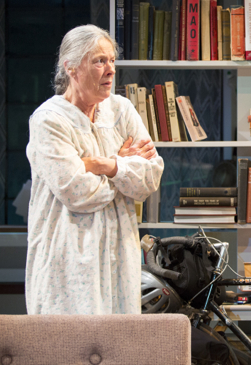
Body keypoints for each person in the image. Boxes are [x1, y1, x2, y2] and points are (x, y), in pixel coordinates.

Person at [25, 25, 164, 314]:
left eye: (112, 60)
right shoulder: (49, 120)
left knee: (119, 338)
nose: (110, 69)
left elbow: (150, 178)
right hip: (67, 257)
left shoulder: (121, 110)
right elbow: (78, 192)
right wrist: (122, 167)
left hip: (120, 256)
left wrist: (105, 165)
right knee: (67, 339)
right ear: (71, 67)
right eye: (100, 61)